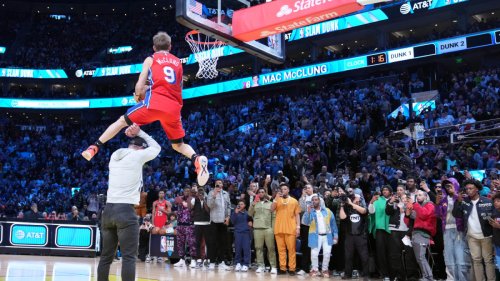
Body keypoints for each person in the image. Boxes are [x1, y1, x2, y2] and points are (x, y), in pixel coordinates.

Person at [81, 31, 209, 187]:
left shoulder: (150, 59)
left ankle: (94, 147)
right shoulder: (177, 62)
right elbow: (177, 86)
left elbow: (140, 85)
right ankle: (197, 158)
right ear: (170, 46)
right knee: (178, 145)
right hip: (174, 107)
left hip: (154, 104)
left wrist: (138, 95)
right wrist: (150, 89)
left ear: (154, 47)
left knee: (122, 121)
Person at [97, 124, 161, 281]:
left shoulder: (114, 155)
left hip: (108, 210)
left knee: (106, 257)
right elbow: (156, 147)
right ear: (141, 148)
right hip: (125, 211)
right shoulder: (137, 156)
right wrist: (140, 132)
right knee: (129, 258)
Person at [453, 179, 495, 281]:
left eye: (470, 188)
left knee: (488, 261)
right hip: (472, 236)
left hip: (486, 236)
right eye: (466, 189)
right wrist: (458, 202)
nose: (468, 191)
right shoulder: (464, 202)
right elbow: (456, 214)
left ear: (477, 189)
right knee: (476, 261)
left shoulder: (488, 202)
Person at [435, 178, 471, 281]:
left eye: (450, 185)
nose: (448, 187)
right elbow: (438, 215)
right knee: (449, 257)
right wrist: (437, 204)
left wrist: (456, 195)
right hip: (446, 230)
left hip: (459, 230)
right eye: (446, 186)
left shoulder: (461, 197)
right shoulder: (443, 200)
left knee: (461, 258)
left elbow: (465, 211)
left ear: (455, 185)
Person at [385, 185, 419, 281]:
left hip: (407, 231)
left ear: (405, 191)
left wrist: (407, 207)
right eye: (397, 190)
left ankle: (412, 276)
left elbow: (414, 217)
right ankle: (400, 276)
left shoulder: (410, 202)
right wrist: (391, 202)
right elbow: (388, 212)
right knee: (395, 254)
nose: (399, 191)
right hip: (395, 230)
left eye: (401, 190)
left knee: (409, 254)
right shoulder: (392, 202)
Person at [405, 190, 436, 281]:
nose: (418, 196)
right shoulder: (416, 206)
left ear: (425, 197)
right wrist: (407, 215)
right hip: (415, 233)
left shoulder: (430, 205)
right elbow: (408, 223)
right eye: (417, 195)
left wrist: (414, 204)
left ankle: (428, 277)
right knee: (419, 258)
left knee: (420, 257)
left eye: (420, 195)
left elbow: (423, 214)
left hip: (423, 233)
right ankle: (426, 276)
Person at [304, 194, 338, 278]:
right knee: (314, 254)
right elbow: (305, 222)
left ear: (319, 201)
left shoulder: (327, 211)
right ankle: (315, 270)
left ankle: (324, 270)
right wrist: (308, 212)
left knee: (327, 254)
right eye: (313, 200)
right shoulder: (310, 211)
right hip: (315, 236)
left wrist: (335, 236)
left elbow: (333, 224)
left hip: (327, 236)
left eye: (316, 199)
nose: (314, 201)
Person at [272, 183, 300, 275]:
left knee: (291, 249)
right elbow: (271, 209)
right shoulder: (277, 200)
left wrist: (298, 227)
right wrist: (275, 198)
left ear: (288, 190)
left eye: (285, 189)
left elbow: (297, 215)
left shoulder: (294, 201)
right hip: (279, 228)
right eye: (282, 189)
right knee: (281, 250)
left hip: (291, 228)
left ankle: (292, 268)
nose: (283, 190)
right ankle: (282, 268)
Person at [340, 194, 369, 280]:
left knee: (364, 256)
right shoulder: (347, 208)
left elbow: (364, 211)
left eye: (359, 199)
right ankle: (347, 274)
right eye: (356, 199)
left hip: (360, 236)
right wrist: (342, 205)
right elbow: (342, 217)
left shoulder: (362, 207)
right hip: (349, 236)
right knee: (348, 256)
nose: (358, 200)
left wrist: (352, 204)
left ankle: (366, 275)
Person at [248, 187, 277, 274]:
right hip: (257, 228)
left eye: (262, 192)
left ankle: (273, 266)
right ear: (257, 194)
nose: (261, 193)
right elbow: (249, 214)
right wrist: (252, 204)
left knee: (271, 248)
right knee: (258, 248)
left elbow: (274, 217)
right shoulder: (254, 204)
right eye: (259, 192)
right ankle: (260, 266)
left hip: (268, 229)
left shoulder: (271, 204)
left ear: (265, 193)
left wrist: (273, 229)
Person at [368, 186, 392, 281]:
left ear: (390, 191)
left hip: (392, 230)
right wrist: (371, 202)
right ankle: (384, 273)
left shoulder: (394, 200)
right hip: (380, 229)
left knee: (391, 253)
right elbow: (371, 211)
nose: (385, 191)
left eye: (387, 190)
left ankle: (392, 273)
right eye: (383, 190)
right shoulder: (378, 200)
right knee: (381, 252)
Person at [207, 179, 231, 270]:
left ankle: (221, 262)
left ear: (222, 185)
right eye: (217, 183)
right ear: (215, 185)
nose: (219, 184)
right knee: (212, 242)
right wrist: (214, 195)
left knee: (223, 243)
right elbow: (209, 205)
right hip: (214, 221)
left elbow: (228, 206)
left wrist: (228, 217)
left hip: (223, 221)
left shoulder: (226, 194)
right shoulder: (211, 193)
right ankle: (212, 262)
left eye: (220, 183)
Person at [173, 187, 196, 268]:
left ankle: (193, 260)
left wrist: (188, 201)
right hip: (180, 224)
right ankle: (181, 260)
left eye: (188, 191)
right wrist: (181, 200)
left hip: (189, 225)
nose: (186, 192)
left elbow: (193, 207)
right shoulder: (180, 198)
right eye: (185, 190)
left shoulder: (192, 199)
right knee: (180, 243)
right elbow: (175, 200)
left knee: (191, 243)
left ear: (190, 192)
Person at [190, 188, 211, 268]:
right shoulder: (194, 200)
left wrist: (204, 201)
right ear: (197, 193)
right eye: (199, 192)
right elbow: (190, 208)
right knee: (197, 242)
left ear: (204, 193)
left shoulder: (207, 200)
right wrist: (192, 198)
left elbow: (208, 210)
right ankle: (198, 259)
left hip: (206, 223)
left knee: (207, 242)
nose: (200, 193)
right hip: (197, 222)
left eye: (202, 192)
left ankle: (207, 259)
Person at [231, 200, 252, 272]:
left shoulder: (248, 213)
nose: (240, 205)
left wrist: (250, 225)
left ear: (245, 205)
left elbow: (251, 223)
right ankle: (238, 263)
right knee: (238, 249)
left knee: (246, 249)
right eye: (239, 204)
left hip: (246, 233)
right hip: (238, 233)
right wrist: (235, 213)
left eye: (242, 204)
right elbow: (232, 221)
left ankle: (246, 264)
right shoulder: (235, 212)